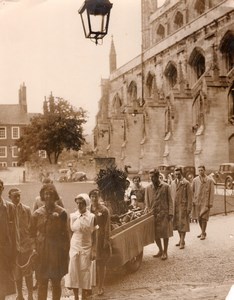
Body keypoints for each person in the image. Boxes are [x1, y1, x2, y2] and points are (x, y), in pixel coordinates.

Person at [30, 184, 69, 300]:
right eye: (45, 194)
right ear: (42, 196)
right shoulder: (37, 214)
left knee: (56, 282)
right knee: (42, 281)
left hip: (56, 252)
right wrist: (33, 248)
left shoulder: (62, 212)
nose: (48, 197)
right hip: (41, 252)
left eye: (50, 194)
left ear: (54, 196)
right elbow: (31, 234)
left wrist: (64, 253)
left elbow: (65, 235)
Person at [65, 194, 97, 300]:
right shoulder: (72, 216)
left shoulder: (92, 217)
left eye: (81, 203)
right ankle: (75, 296)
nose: (79, 205)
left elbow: (95, 233)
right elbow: (69, 231)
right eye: (77, 203)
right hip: (74, 245)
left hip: (87, 245)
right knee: (74, 269)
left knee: (84, 270)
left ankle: (84, 295)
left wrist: (93, 249)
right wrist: (70, 244)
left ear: (86, 203)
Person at [8, 188, 34, 300]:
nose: (17, 198)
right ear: (10, 197)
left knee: (28, 272)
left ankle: (30, 295)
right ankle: (20, 295)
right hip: (14, 247)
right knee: (17, 272)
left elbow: (32, 229)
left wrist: (32, 246)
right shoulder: (7, 210)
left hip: (26, 246)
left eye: (19, 196)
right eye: (15, 196)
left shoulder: (27, 210)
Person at [145, 168, 173, 260]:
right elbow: (147, 202)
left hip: (164, 214)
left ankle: (165, 252)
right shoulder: (148, 188)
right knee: (156, 234)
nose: (152, 179)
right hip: (153, 214)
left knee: (165, 234)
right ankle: (160, 250)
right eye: (150, 177)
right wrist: (148, 211)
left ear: (157, 177)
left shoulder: (165, 186)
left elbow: (170, 201)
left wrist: (170, 213)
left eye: (153, 177)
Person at [89, 189, 111, 297]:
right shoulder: (88, 209)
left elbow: (106, 226)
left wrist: (106, 240)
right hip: (90, 237)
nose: (94, 199)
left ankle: (101, 286)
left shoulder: (104, 210)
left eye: (96, 197)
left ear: (99, 197)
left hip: (100, 237)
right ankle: (88, 285)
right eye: (92, 197)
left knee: (100, 262)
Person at [0, 179, 17, 300]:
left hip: (5, 250)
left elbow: (14, 231)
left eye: (0, 186)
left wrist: (14, 249)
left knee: (3, 282)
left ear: (2, 188)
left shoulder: (10, 207)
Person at [170, 167, 192, 249]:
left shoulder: (186, 183)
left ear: (181, 173)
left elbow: (190, 197)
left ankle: (182, 241)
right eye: (176, 174)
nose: (177, 176)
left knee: (183, 224)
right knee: (177, 224)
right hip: (175, 207)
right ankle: (180, 239)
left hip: (183, 207)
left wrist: (189, 208)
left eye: (179, 174)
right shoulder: (172, 183)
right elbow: (171, 195)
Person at [192, 165, 214, 240]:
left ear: (204, 170)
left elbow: (212, 192)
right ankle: (203, 232)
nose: (200, 172)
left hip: (205, 201)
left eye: (202, 170)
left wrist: (210, 202)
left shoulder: (210, 180)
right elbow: (192, 191)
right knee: (199, 218)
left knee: (204, 217)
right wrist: (193, 200)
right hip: (197, 201)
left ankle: (203, 233)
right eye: (199, 170)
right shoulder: (195, 180)